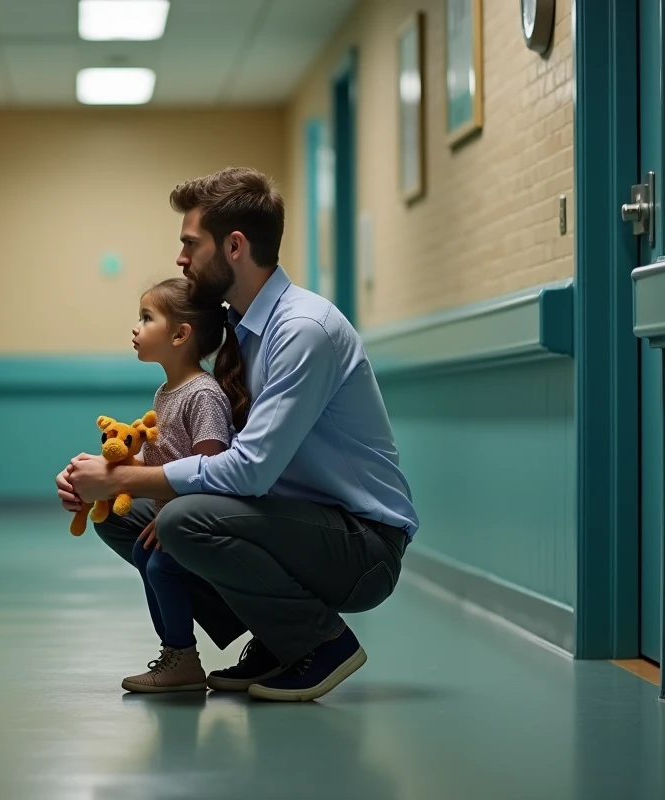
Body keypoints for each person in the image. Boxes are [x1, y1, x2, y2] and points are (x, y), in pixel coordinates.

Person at [56, 167, 419, 703]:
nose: (180, 259)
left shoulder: (302, 330)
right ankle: (275, 637)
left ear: (234, 246)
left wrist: (123, 475)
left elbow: (250, 470)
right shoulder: (242, 328)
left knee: (180, 516)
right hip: (292, 526)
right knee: (127, 516)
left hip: (361, 547)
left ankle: (321, 643)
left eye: (189, 244)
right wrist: (112, 478)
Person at [121, 277, 250, 693]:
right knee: (145, 555)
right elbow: (165, 457)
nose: (135, 328)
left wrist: (173, 518)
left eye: (146, 317)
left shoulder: (203, 395)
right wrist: (122, 468)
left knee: (160, 564)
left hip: (199, 517)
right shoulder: (166, 392)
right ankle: (177, 654)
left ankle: (181, 656)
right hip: (173, 511)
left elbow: (209, 468)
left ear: (180, 334)